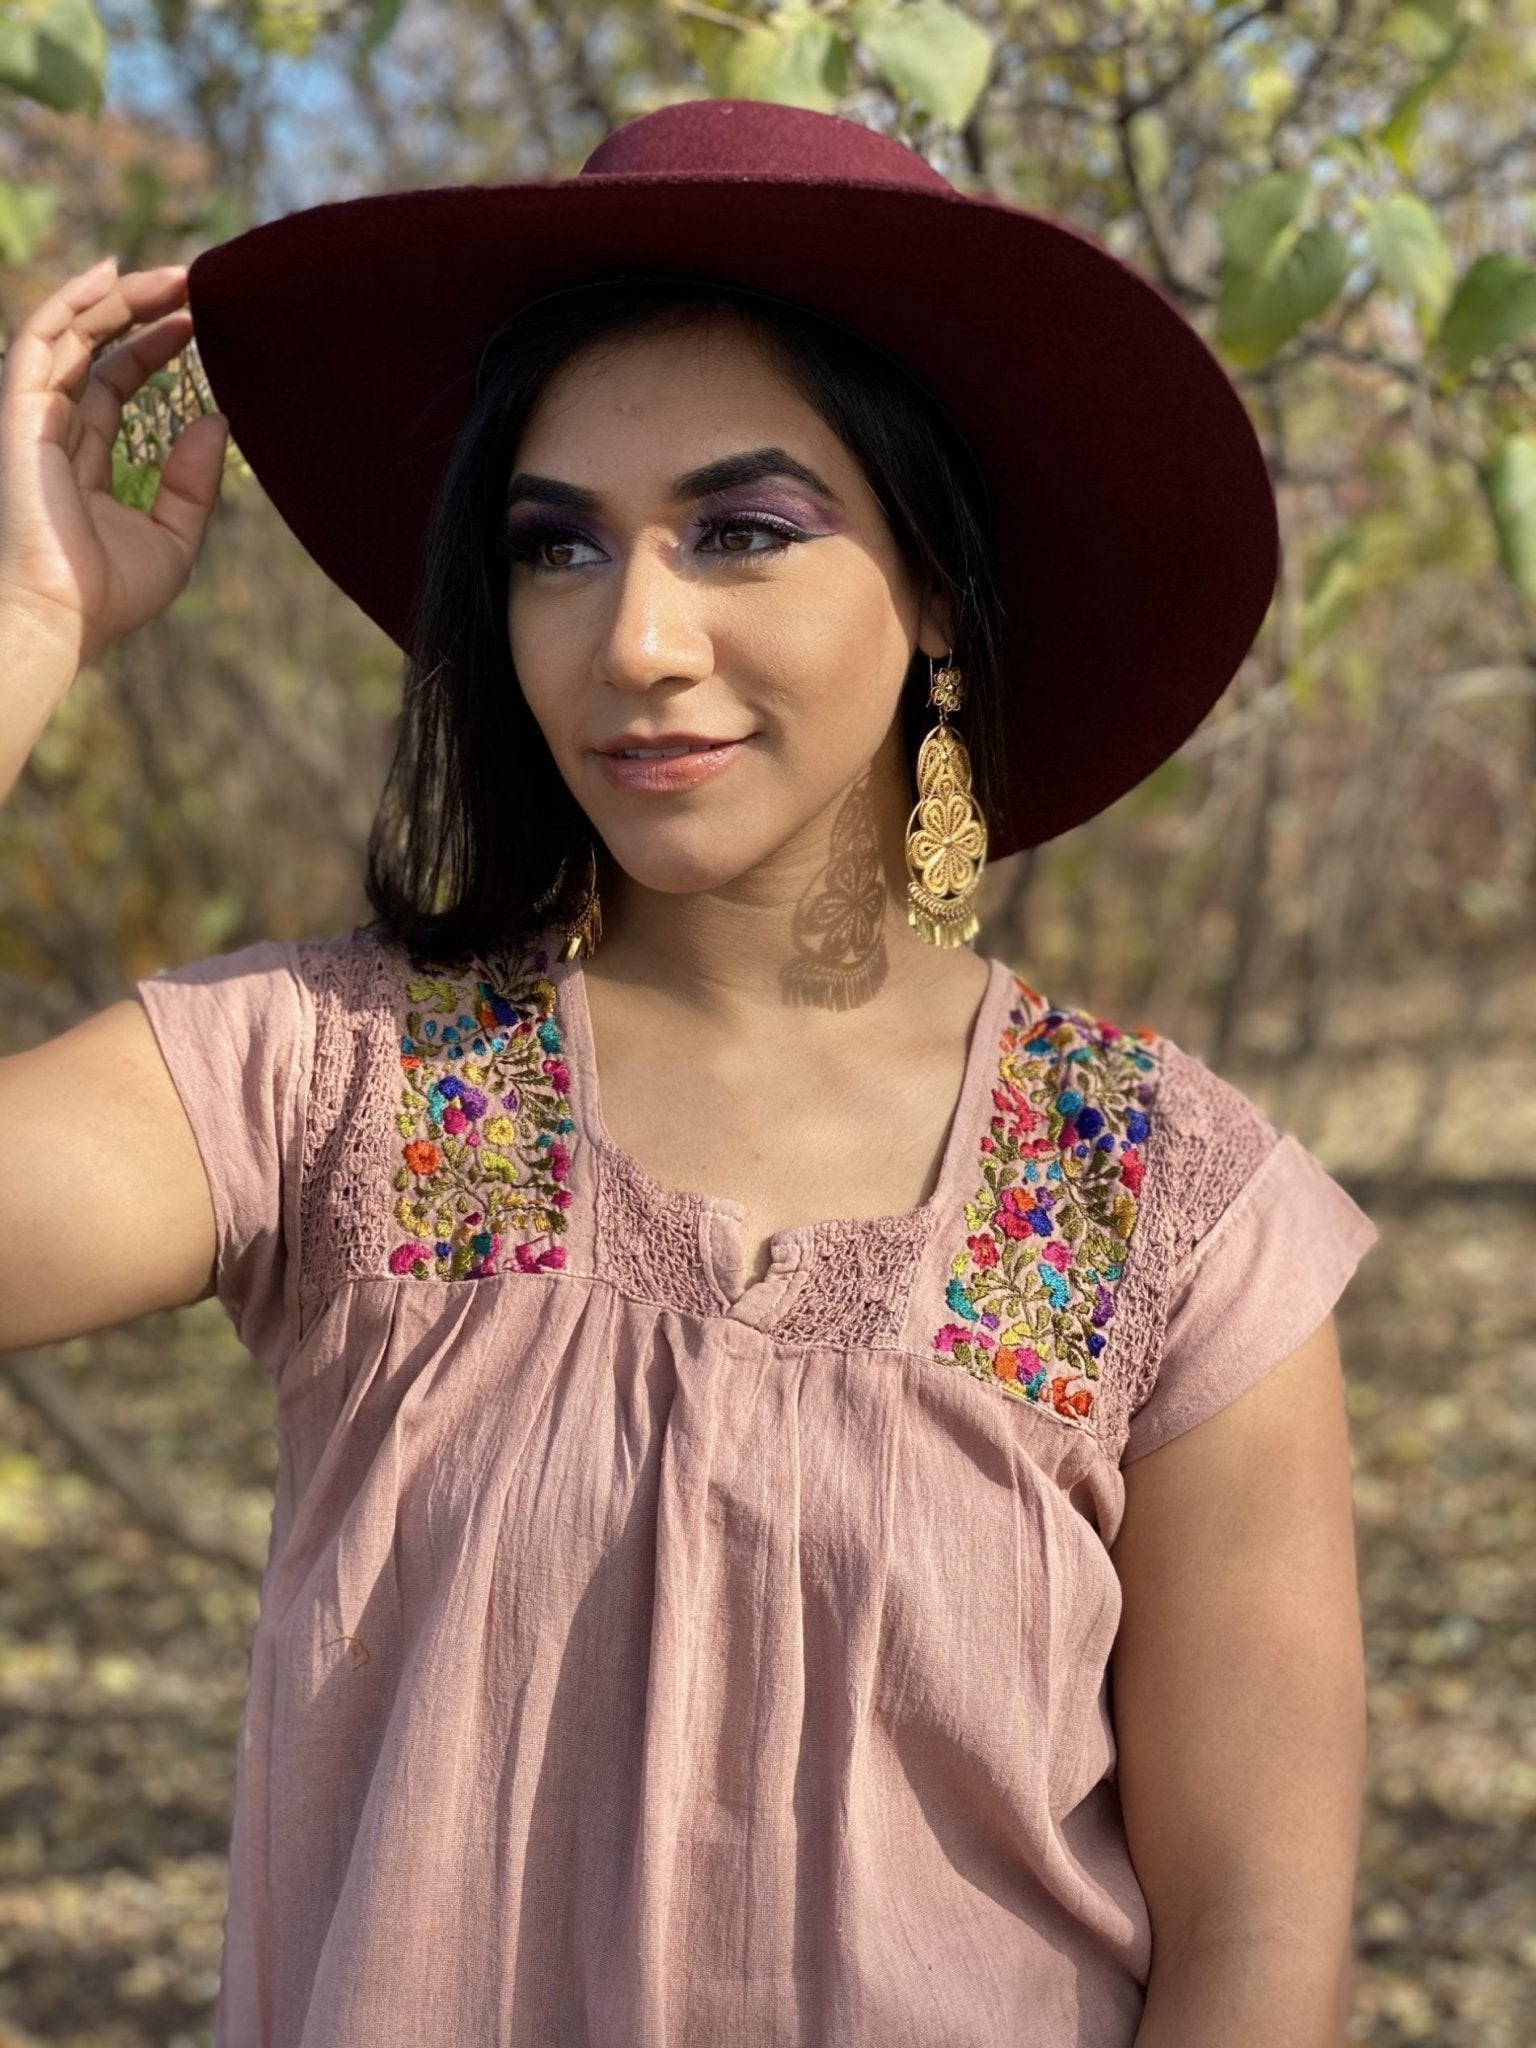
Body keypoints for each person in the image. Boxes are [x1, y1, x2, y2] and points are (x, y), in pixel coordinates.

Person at [0, 98, 1380, 2048]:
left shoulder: (1155, 1200)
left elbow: (1258, 1952)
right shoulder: (349, 1087)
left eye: (740, 531)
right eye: (553, 547)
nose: (635, 637)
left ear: (931, 585)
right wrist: (26, 620)